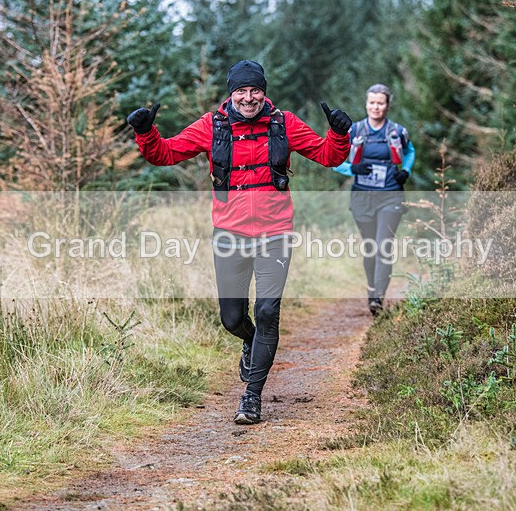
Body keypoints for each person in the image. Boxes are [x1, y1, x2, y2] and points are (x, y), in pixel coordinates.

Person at [127, 60, 352, 424]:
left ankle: (252, 396)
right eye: (241, 91)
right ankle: (248, 341)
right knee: (232, 319)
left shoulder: (284, 123)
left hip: (275, 233)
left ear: (264, 91)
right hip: (230, 233)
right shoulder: (210, 126)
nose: (249, 98)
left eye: (255, 90)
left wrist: (340, 133)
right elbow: (163, 154)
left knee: (267, 313)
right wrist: (146, 132)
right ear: (231, 93)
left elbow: (329, 156)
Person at [333, 84, 416, 316]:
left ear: (387, 105)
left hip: (391, 195)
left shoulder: (397, 131)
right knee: (370, 248)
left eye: (380, 103)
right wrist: (353, 169)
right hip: (362, 198)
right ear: (366, 104)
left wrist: (406, 171)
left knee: (383, 246)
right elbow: (332, 159)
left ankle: (378, 298)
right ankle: (372, 289)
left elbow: (410, 152)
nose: (376, 107)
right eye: (372, 103)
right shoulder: (354, 131)